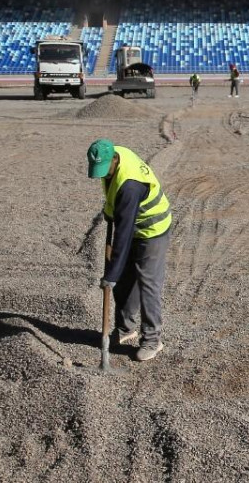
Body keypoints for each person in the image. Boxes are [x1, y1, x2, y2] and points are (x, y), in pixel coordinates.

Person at [87, 139, 172, 362]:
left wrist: (110, 275)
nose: (103, 175)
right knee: (125, 280)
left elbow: (122, 236)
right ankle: (125, 329)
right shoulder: (115, 156)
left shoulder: (130, 185)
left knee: (147, 283)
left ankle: (152, 340)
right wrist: (109, 211)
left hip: (153, 228)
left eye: (105, 170)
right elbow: (113, 195)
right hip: (133, 221)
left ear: (114, 159)